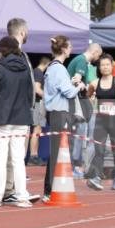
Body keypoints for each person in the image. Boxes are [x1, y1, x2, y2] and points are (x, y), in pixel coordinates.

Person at [0, 35, 34, 207]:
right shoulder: (25, 68)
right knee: (18, 159)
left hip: (1, 118)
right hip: (21, 118)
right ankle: (22, 196)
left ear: (3, 50)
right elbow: (30, 93)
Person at [42, 36, 83, 202]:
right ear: (64, 49)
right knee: (57, 152)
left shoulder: (52, 67)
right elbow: (68, 92)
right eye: (70, 46)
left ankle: (50, 188)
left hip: (55, 112)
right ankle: (50, 189)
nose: (71, 49)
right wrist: (79, 86)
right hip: (59, 112)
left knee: (56, 152)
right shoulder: (59, 69)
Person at [85, 54, 115, 191]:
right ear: (99, 68)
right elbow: (87, 96)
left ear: (112, 65)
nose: (105, 67)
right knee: (98, 149)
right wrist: (93, 106)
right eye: (102, 65)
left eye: (107, 64)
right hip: (101, 121)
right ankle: (97, 177)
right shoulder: (95, 83)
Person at [65, 42, 102, 176]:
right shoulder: (81, 61)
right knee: (79, 136)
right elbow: (76, 80)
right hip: (78, 104)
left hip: (77, 104)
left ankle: (76, 165)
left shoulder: (79, 60)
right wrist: (84, 88)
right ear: (95, 52)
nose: (98, 60)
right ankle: (75, 166)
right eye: (98, 56)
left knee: (77, 136)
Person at [28, 55, 50, 162]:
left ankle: (34, 155)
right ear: (47, 64)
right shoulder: (38, 72)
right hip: (38, 104)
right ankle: (33, 156)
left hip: (38, 104)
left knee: (38, 130)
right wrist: (49, 98)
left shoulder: (36, 72)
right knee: (36, 130)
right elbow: (37, 89)